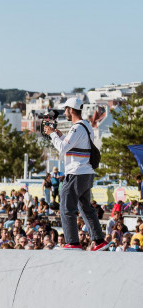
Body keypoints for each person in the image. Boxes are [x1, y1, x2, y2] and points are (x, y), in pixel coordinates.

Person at [43, 97, 106, 250]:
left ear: (71, 110)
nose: (65, 112)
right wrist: (60, 135)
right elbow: (75, 146)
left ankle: (73, 242)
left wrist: (52, 134)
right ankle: (99, 241)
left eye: (66, 109)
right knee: (86, 208)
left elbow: (63, 149)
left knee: (66, 207)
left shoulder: (76, 127)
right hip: (86, 173)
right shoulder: (86, 126)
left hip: (76, 173)